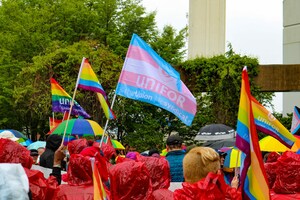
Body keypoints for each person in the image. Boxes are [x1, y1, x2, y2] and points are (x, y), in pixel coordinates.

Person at [173, 147, 241, 199]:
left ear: (185, 174)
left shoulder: (179, 195)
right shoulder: (222, 195)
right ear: (218, 173)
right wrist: (233, 191)